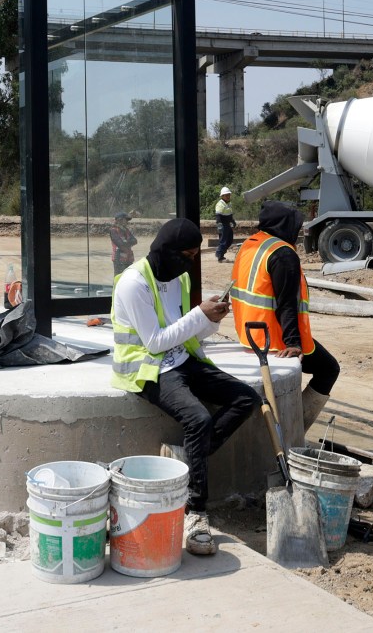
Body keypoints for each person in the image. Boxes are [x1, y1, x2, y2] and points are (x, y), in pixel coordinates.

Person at [110, 218, 258, 557]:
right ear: (166, 250)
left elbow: (183, 332)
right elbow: (155, 340)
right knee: (199, 420)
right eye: (186, 254)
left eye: (194, 255)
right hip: (147, 366)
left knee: (246, 399)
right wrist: (199, 315)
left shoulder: (179, 279)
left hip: (179, 359)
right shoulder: (134, 282)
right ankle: (196, 511)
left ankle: (187, 457)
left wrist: (210, 320)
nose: (189, 262)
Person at [230, 201, 340, 433]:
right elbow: (286, 303)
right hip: (275, 340)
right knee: (329, 369)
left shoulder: (251, 245)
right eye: (296, 226)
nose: (298, 232)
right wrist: (293, 343)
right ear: (285, 225)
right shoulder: (282, 254)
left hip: (249, 334)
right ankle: (295, 429)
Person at [108, 212, 138, 277]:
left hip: (128, 259)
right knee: (118, 278)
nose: (127, 222)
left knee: (129, 278)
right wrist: (129, 241)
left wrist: (125, 242)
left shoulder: (126, 230)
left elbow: (135, 241)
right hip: (118, 259)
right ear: (120, 220)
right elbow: (120, 244)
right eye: (126, 220)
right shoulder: (113, 231)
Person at [214, 186, 235, 262]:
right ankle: (220, 256)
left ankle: (220, 253)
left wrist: (233, 221)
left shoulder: (229, 203)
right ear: (222, 196)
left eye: (229, 195)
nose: (228, 196)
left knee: (229, 240)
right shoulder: (220, 204)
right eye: (226, 195)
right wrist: (219, 225)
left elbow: (230, 214)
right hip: (223, 225)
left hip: (228, 224)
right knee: (223, 241)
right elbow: (218, 215)